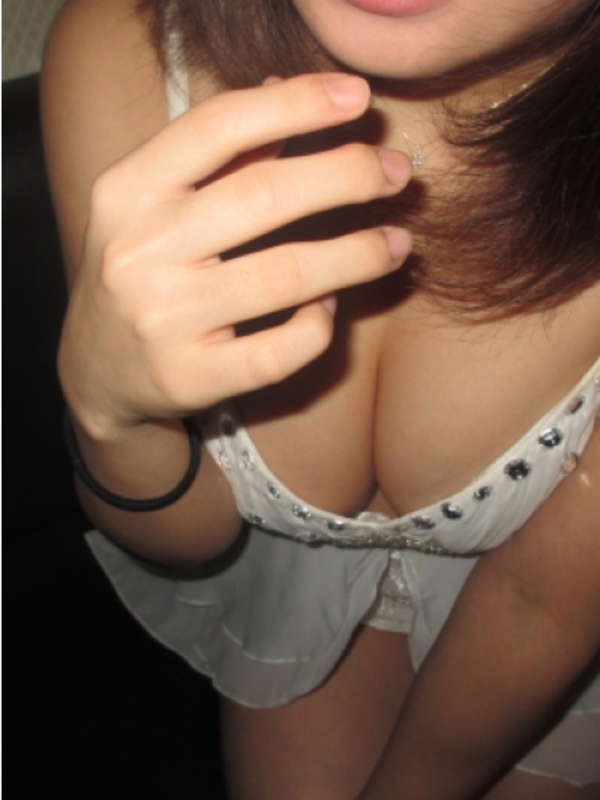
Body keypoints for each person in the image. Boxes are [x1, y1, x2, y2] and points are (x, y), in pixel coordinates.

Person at [41, 0, 600, 797]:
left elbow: (539, 603)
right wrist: (112, 419)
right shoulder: (123, 48)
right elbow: (185, 536)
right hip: (289, 589)